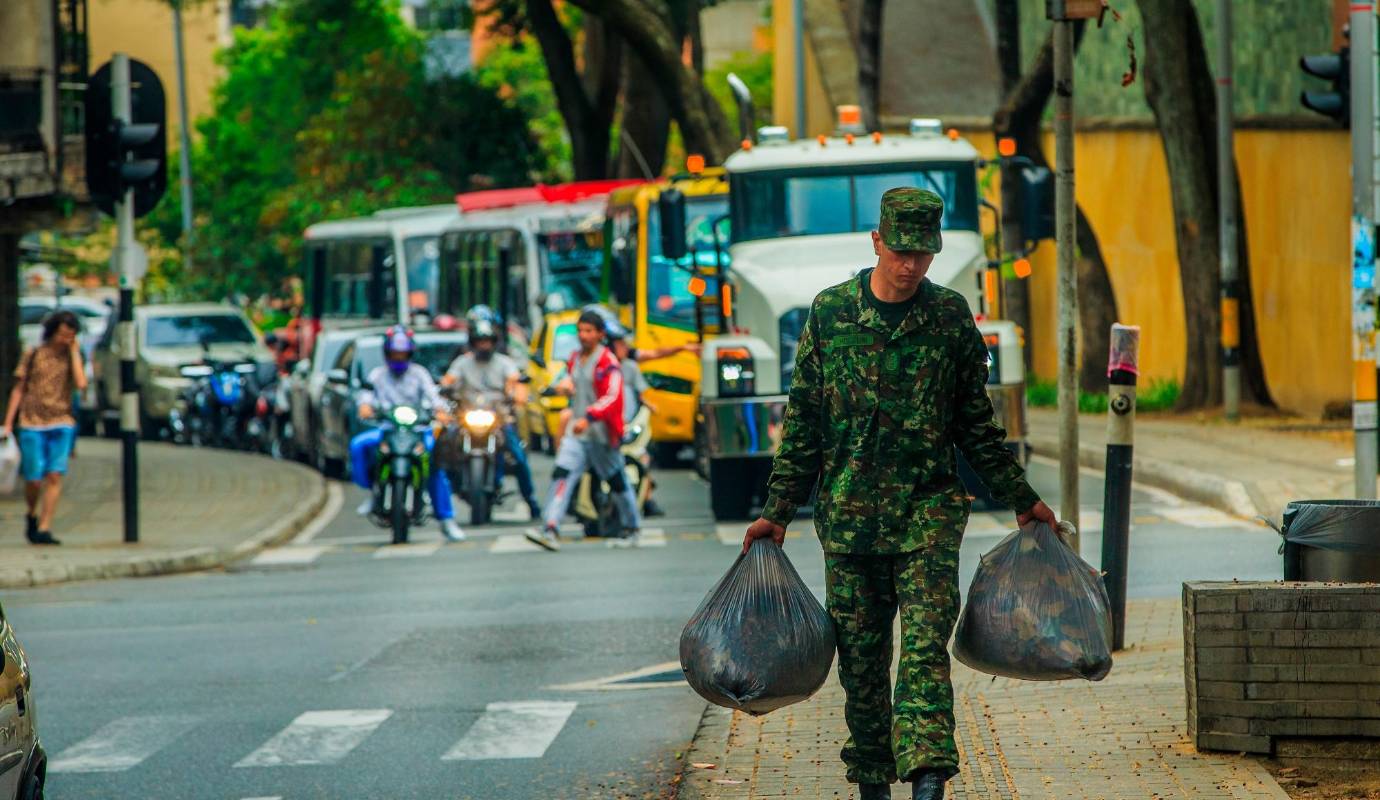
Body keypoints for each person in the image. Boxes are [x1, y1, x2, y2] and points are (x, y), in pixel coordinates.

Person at [742, 188, 1057, 800]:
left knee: (922, 647)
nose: (911, 266)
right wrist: (776, 513)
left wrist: (1022, 497)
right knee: (861, 668)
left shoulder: (949, 318)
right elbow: (804, 421)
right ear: (878, 242)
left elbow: (975, 422)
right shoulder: (830, 314)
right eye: (902, 252)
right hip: (849, 522)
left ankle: (929, 777)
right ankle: (873, 783)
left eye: (923, 254)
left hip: (928, 515)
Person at [526, 309, 641, 552]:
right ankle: (550, 527)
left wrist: (589, 416)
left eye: (589, 331)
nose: (583, 335)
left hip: (602, 434)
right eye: (580, 330)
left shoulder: (608, 362)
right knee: (562, 474)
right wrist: (561, 388)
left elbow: (613, 397)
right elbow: (567, 381)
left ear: (600, 334)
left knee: (617, 481)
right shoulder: (575, 358)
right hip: (577, 434)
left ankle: (632, 527)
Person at [350, 325, 465, 542]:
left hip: (417, 432)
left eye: (402, 353)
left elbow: (435, 398)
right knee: (359, 445)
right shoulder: (377, 375)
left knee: (434, 463)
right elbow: (365, 398)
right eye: (395, 353)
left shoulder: (420, 374)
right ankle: (373, 492)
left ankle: (446, 519)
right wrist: (365, 408)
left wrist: (441, 412)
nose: (398, 357)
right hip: (388, 431)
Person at [2, 309, 88, 546]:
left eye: (70, 336)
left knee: (54, 475)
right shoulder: (34, 354)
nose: (64, 340)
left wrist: (74, 352)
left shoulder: (72, 357)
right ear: (51, 332)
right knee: (34, 478)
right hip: (32, 422)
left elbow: (81, 383)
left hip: (62, 422)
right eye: (62, 335)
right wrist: (8, 422)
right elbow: (19, 388)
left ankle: (45, 526)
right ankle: (31, 513)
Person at [442, 316, 542, 519]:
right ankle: (449, 492)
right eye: (480, 341)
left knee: (518, 456)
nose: (484, 345)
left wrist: (516, 392)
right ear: (473, 342)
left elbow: (515, 381)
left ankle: (531, 500)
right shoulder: (462, 363)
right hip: (466, 420)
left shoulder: (504, 363)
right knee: (443, 448)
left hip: (499, 419)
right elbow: (449, 379)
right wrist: (444, 387)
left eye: (487, 341)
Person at [603, 321, 699, 518]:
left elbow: (655, 356)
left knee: (642, 457)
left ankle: (646, 498)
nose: (624, 347)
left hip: (627, 424)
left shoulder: (629, 365)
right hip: (603, 425)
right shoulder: (600, 365)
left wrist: (683, 348)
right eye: (619, 343)